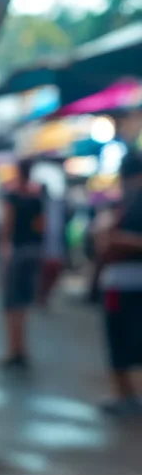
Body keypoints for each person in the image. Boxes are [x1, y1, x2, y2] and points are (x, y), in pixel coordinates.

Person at [98, 150, 142, 414]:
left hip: (121, 282)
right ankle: (126, 395)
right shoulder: (124, 200)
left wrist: (118, 239)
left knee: (120, 339)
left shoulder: (127, 200)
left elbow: (107, 238)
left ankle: (126, 395)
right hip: (121, 281)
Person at [1, 159, 45, 369]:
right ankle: (22, 349)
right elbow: (41, 225)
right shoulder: (36, 197)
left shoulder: (13, 196)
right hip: (33, 251)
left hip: (17, 251)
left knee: (12, 303)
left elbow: (7, 224)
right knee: (24, 303)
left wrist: (4, 248)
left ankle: (14, 349)